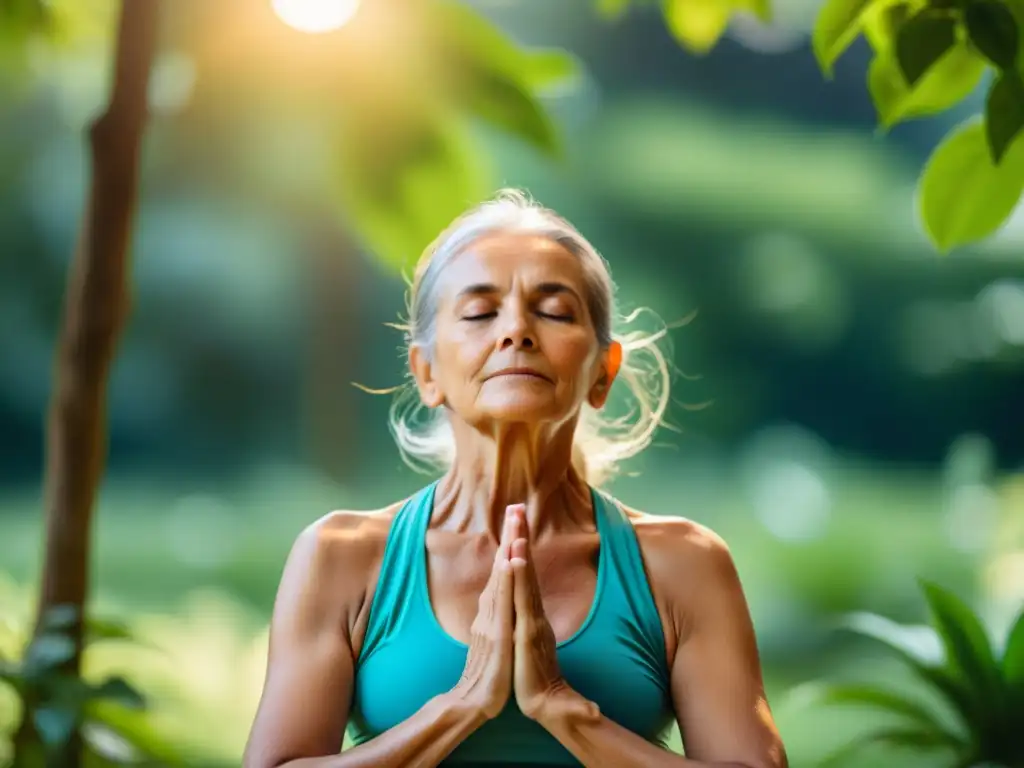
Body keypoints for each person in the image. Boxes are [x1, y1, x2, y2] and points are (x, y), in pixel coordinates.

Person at [243, 190, 788, 768]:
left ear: (603, 373)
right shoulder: (340, 559)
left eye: (554, 311)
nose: (516, 332)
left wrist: (563, 710)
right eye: (480, 312)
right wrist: (459, 708)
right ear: (426, 372)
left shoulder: (683, 564)